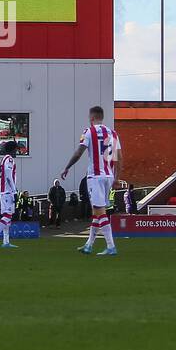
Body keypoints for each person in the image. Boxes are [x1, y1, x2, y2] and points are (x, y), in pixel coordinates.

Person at [59, 105, 121, 257]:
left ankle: (111, 246)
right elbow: (117, 157)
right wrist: (117, 177)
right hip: (108, 176)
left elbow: (79, 152)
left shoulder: (89, 131)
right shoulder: (112, 133)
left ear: (92, 117)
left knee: (100, 211)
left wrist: (67, 167)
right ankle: (89, 245)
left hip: (95, 177)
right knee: (96, 211)